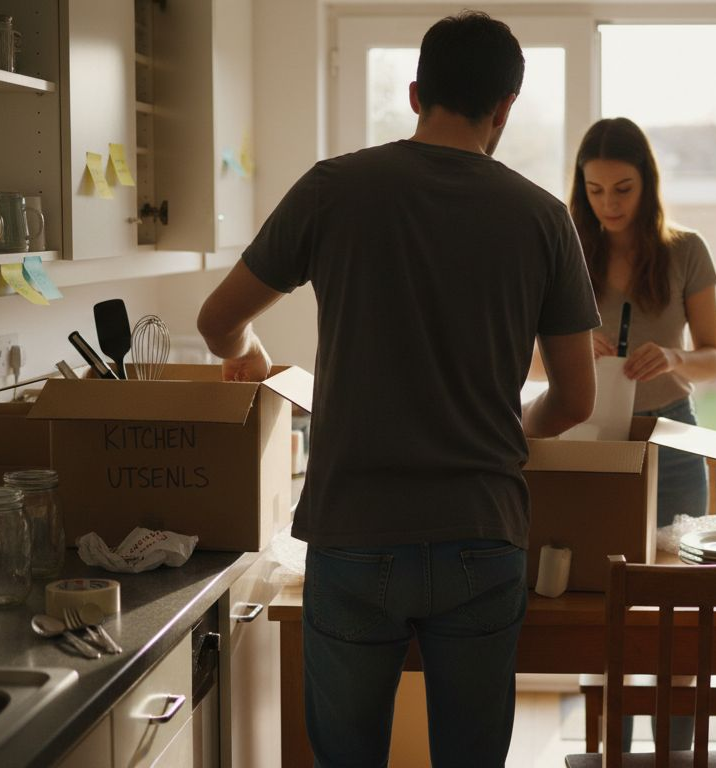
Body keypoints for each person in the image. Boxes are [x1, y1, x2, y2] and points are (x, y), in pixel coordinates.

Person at [196, 11, 598, 767]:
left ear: (416, 94)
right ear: (504, 108)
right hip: (483, 532)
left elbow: (218, 319)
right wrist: (508, 428)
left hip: (355, 533)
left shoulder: (334, 189)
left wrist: (247, 353)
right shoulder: (543, 219)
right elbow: (574, 401)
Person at [570, 116, 716, 752]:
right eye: (596, 189)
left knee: (681, 621)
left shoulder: (686, 249)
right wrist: (577, 347)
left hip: (675, 443)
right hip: (597, 444)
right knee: (609, 613)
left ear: (648, 184)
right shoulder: (569, 250)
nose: (609, 204)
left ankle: (676, 756)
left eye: (623, 189)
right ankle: (618, 756)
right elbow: (523, 359)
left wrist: (675, 357)